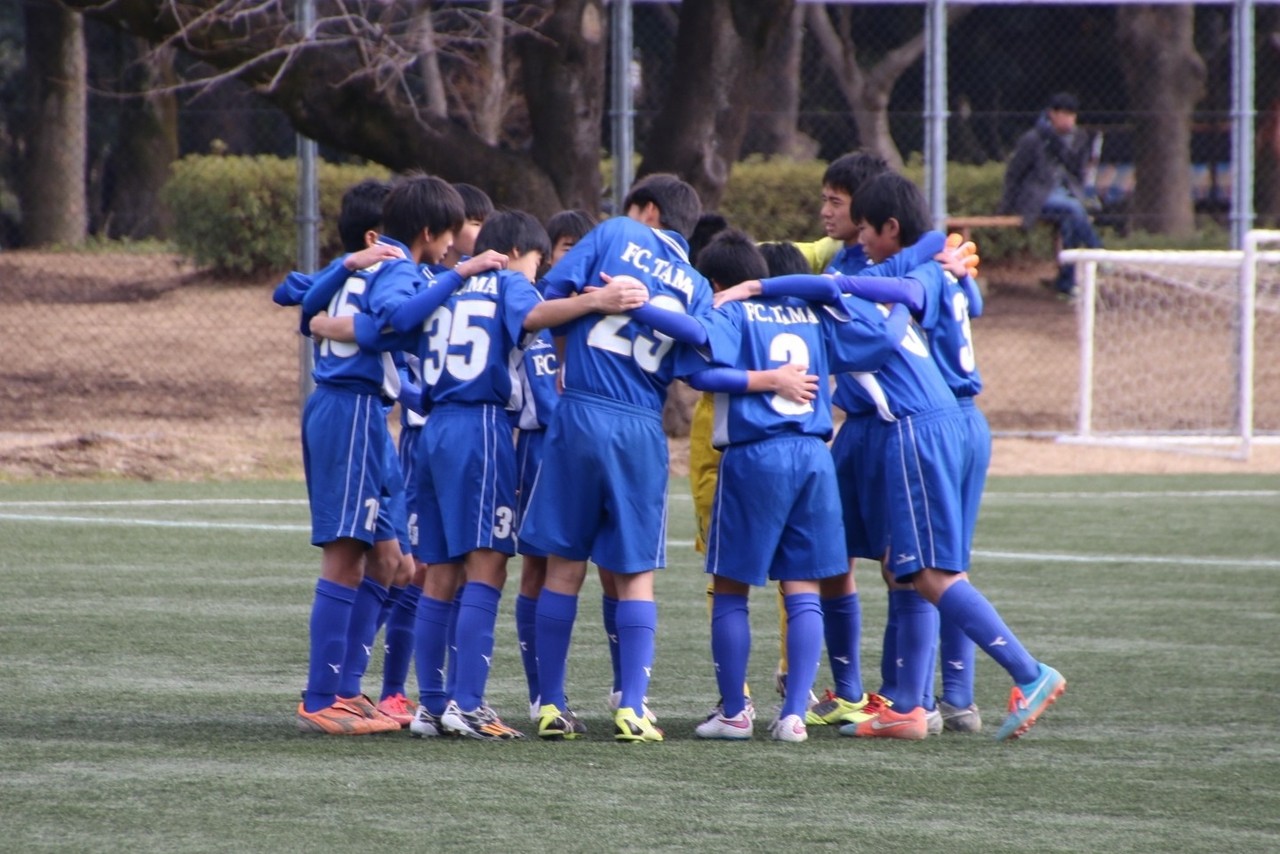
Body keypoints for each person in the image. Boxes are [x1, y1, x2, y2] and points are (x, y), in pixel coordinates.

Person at [724, 172, 1067, 742]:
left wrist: (753, 291)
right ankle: (910, 703)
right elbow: (912, 282)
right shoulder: (893, 275)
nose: (853, 236)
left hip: (913, 430)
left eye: (857, 221)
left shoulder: (843, 295)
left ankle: (1028, 673)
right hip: (938, 422)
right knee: (905, 566)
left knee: (932, 572)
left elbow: (845, 297)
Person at [638, 230, 908, 742]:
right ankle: (792, 715)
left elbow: (692, 360)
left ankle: (736, 712)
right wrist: (901, 299)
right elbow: (880, 343)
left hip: (754, 456)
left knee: (732, 591)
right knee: (803, 587)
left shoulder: (736, 311)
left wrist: (638, 304)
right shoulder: (817, 316)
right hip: (813, 458)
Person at [517, 173, 713, 743]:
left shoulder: (616, 232)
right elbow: (697, 368)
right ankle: (631, 706)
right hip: (638, 426)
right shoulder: (697, 285)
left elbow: (555, 301)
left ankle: (551, 705)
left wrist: (566, 353)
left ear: (646, 210)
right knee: (634, 576)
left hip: (578, 412)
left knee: (563, 566)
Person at [1000, 92, 1103, 297]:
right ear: (1052, 114)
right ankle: (1099, 253)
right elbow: (1014, 173)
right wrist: (1006, 206)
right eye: (1064, 114)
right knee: (1073, 209)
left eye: (1072, 115)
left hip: (1068, 193)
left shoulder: (1079, 138)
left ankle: (1066, 282)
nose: (1069, 120)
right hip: (1038, 197)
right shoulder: (1034, 139)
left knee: (1070, 222)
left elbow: (1078, 172)